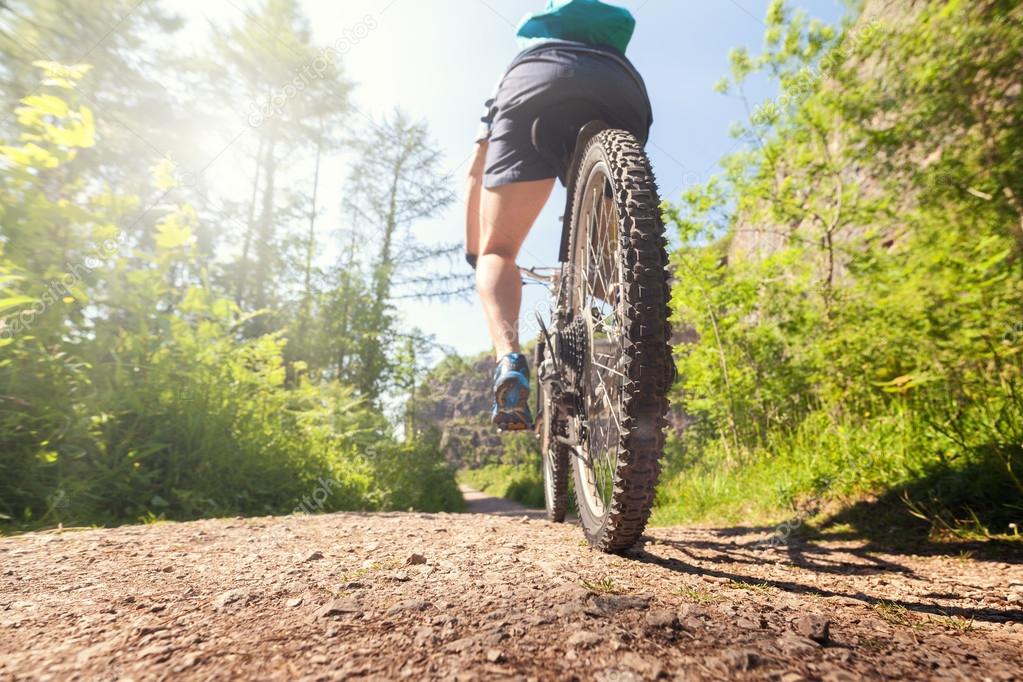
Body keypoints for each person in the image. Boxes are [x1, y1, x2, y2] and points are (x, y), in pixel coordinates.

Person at [464, 0, 653, 431]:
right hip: (619, 85)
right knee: (607, 259)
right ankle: (645, 335)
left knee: (499, 250)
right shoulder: (613, 45)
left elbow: (478, 163)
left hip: (533, 81)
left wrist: (480, 252)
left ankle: (509, 359)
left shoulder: (523, 57)